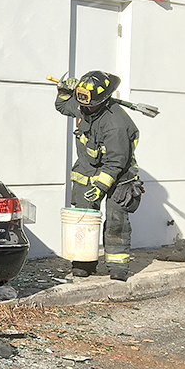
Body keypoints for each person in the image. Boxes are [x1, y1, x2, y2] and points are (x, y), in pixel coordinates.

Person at [54, 70, 143, 281]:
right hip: (87, 171)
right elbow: (62, 106)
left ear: (102, 101)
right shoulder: (85, 106)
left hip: (119, 176)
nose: (84, 107)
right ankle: (83, 263)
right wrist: (64, 92)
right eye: (81, 101)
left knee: (116, 220)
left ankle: (117, 267)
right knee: (84, 219)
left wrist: (102, 186)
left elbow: (116, 161)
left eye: (88, 103)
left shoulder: (116, 124)